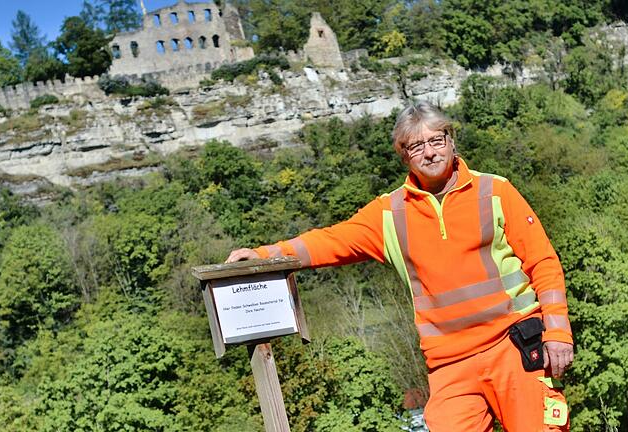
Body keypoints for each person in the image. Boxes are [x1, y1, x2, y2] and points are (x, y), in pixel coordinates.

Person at [227, 101, 574, 431]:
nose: (430, 152)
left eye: (437, 140)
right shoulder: (390, 213)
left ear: (451, 141)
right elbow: (331, 241)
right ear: (403, 155)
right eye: (416, 146)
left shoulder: (495, 191)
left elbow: (543, 262)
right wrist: (266, 254)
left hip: (513, 347)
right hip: (449, 364)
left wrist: (557, 333)